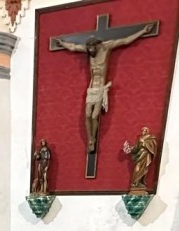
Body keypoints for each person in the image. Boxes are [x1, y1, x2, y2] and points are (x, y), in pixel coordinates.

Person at [53, 23, 155, 153]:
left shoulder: (106, 47)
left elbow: (124, 40)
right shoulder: (89, 50)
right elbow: (73, 47)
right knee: (87, 114)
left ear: (96, 45)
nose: (90, 52)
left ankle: (92, 139)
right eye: (88, 49)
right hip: (91, 88)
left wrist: (142, 31)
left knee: (95, 115)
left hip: (101, 88)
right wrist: (62, 43)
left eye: (92, 49)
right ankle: (90, 138)